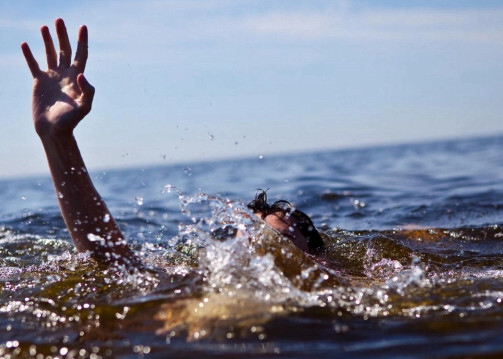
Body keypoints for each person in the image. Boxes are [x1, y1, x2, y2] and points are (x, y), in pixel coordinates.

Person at [21, 18, 323, 266]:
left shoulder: (335, 292)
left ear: (321, 263)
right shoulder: (199, 284)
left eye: (281, 240)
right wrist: (56, 139)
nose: (260, 248)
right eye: (252, 238)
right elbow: (114, 263)